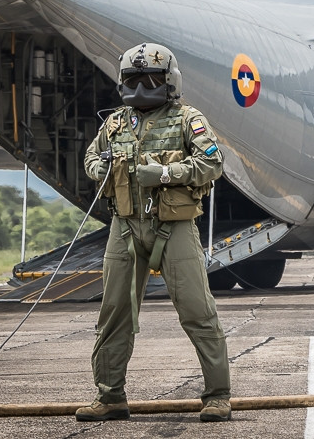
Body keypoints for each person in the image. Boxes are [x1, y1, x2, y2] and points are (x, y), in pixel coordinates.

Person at [76, 43, 231, 423]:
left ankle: (217, 396)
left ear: (169, 81)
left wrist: (165, 174)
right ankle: (110, 396)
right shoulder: (114, 123)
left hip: (173, 227)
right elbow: (92, 157)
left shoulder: (187, 119)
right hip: (124, 226)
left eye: (150, 79)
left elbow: (212, 162)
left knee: (197, 311)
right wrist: (101, 170)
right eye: (133, 79)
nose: (141, 86)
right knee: (114, 314)